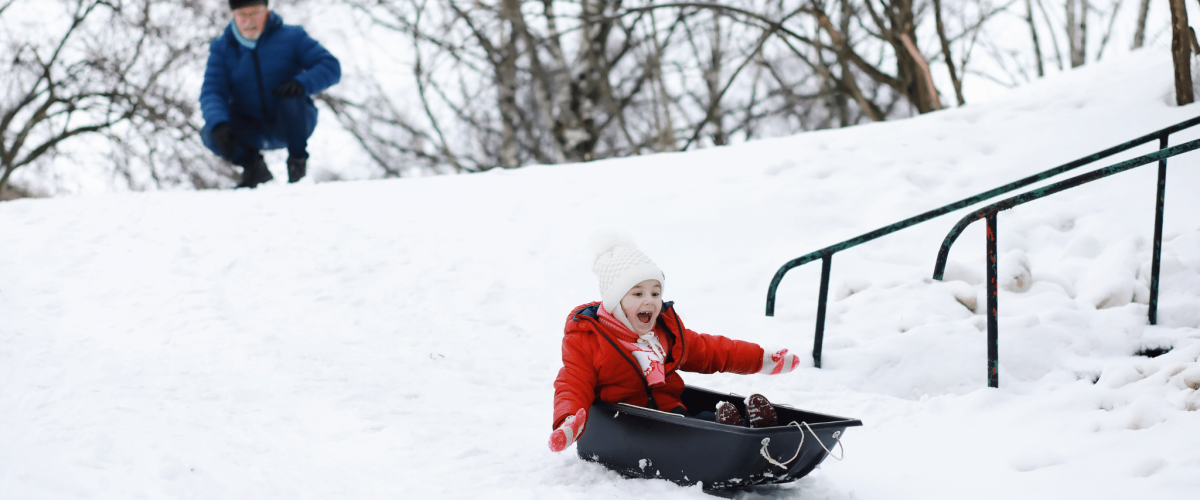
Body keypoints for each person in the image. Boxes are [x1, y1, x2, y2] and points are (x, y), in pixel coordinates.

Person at [548, 242, 802, 453]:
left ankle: (752, 429)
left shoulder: (664, 333)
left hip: (673, 414)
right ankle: (736, 437)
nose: (650, 301)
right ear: (615, 302)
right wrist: (568, 423)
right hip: (628, 427)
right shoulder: (589, 340)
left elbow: (712, 351)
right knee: (700, 435)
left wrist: (762, 359)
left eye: (655, 293)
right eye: (637, 294)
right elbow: (573, 384)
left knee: (703, 421)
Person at [199, 0, 341, 188]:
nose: (249, 20)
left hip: (291, 122)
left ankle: (297, 166)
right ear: (233, 15)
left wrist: (302, 83)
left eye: (255, 13)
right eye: (242, 15)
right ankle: (254, 169)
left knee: (292, 99)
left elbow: (330, 66)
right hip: (249, 127)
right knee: (212, 129)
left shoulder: (293, 37)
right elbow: (212, 91)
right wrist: (219, 122)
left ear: (266, 11)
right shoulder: (222, 48)